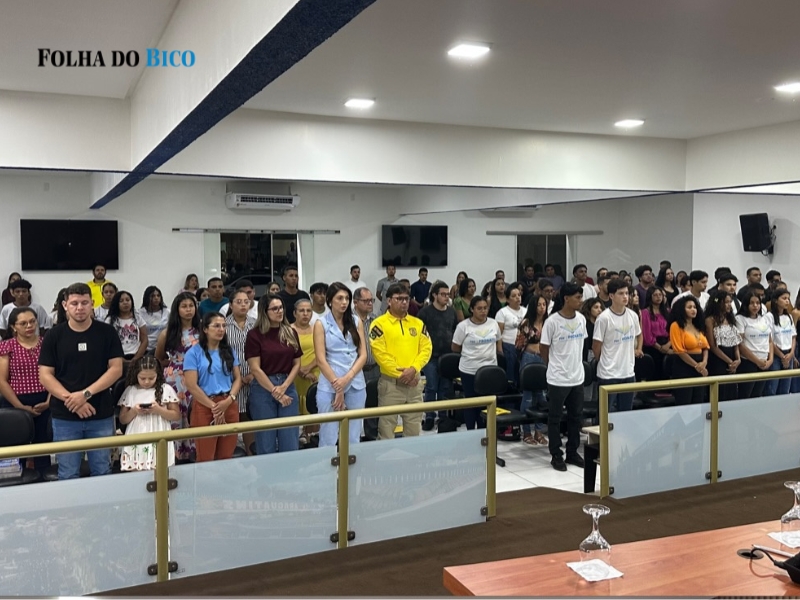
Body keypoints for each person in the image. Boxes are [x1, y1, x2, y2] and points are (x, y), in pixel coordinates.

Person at [38, 282, 124, 479]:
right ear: (64, 305)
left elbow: (116, 369)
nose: (79, 308)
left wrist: (85, 395)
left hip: (100, 413)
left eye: (84, 303)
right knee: (68, 473)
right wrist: (73, 400)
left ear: (92, 303)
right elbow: (45, 375)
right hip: (65, 416)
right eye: (74, 303)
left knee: (102, 471)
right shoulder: (53, 335)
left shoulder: (107, 332)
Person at [369, 283, 432, 439]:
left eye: (406, 299)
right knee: (386, 430)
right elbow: (380, 354)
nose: (404, 302)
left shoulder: (417, 323)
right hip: (391, 385)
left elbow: (426, 348)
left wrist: (414, 369)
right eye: (399, 299)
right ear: (389, 301)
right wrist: (402, 375)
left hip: (414, 384)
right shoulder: (379, 324)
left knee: (414, 430)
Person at [246, 293, 303, 454]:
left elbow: (297, 363)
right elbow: (255, 368)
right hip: (263, 387)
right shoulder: (254, 335)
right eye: (275, 309)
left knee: (290, 439)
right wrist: (275, 391)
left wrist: (283, 387)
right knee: (266, 440)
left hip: (287, 384)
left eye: (281, 308)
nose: (280, 311)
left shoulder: (290, 332)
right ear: (265, 312)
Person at [313, 282, 367, 447]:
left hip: (355, 382)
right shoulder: (321, 323)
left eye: (347, 299)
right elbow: (321, 360)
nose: (344, 302)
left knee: (354, 435)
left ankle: (352, 464)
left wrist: (347, 379)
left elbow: (363, 355)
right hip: (330, 383)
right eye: (340, 298)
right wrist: (338, 387)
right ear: (330, 301)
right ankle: (327, 464)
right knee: (328, 436)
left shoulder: (356, 321)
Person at [541, 283, 587, 472]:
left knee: (576, 417)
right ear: (566, 299)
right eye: (577, 297)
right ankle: (556, 454)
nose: (581, 301)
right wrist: (553, 366)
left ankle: (572, 452)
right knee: (555, 418)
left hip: (577, 376)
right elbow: (544, 349)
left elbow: (581, 345)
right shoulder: (552, 321)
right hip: (558, 378)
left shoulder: (582, 319)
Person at [184, 312, 242, 461]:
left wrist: (229, 400)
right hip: (204, 405)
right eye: (216, 326)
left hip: (228, 402)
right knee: (206, 457)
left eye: (223, 326)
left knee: (226, 455)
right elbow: (191, 385)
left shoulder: (229, 350)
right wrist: (215, 407)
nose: (221, 329)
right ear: (205, 329)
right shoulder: (193, 353)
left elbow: (238, 379)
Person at [0, 307, 51, 475]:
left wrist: (49, 401)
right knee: (16, 447)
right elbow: (2, 380)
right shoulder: (6, 346)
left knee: (43, 445)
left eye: (32, 322)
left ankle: (44, 480)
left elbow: (56, 374)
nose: (29, 326)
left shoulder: (47, 343)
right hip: (15, 401)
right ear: (13, 327)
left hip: (45, 399)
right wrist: (20, 407)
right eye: (23, 323)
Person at [155, 292, 200, 463]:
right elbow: (159, 358)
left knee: (194, 413)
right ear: (177, 309)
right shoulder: (167, 333)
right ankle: (175, 454)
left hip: (197, 377)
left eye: (191, 306)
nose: (188, 310)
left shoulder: (202, 331)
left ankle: (195, 451)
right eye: (184, 306)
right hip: (174, 379)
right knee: (177, 414)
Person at [117, 355, 180, 471]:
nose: (146, 382)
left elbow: (176, 415)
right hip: (136, 433)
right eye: (142, 378)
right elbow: (123, 419)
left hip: (159, 431)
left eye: (151, 378)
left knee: (160, 468)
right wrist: (134, 411)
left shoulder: (165, 389)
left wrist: (159, 410)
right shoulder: (131, 390)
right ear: (136, 375)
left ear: (158, 375)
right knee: (136, 468)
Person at [592, 279, 643, 412]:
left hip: (628, 372)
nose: (625, 297)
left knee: (625, 412)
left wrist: (638, 349)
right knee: (605, 413)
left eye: (626, 293)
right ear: (611, 296)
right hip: (609, 374)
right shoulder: (604, 318)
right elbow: (596, 346)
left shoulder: (633, 315)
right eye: (621, 293)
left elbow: (639, 334)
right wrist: (604, 361)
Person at [451, 295, 501, 430]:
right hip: (470, 370)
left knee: (486, 403)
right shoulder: (463, 326)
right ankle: (470, 431)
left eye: (485, 308)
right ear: (472, 309)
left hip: (489, 370)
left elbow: (498, 340)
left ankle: (484, 432)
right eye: (479, 308)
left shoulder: (493, 323)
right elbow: (455, 347)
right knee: (471, 402)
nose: (483, 311)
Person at [418, 281, 457, 431]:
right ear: (434, 295)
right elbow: (419, 334)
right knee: (431, 386)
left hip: (447, 356)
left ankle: (442, 416)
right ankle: (429, 416)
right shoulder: (425, 312)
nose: (446, 297)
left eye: (448, 294)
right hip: (430, 356)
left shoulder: (452, 312)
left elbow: (455, 330)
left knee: (444, 388)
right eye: (443, 294)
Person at [226, 289, 256, 453]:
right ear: (231, 305)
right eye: (238, 302)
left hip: (254, 377)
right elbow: (221, 353)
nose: (243, 305)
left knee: (250, 418)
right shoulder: (223, 325)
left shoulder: (256, 324)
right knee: (232, 417)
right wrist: (236, 376)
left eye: (246, 301)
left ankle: (251, 455)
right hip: (231, 379)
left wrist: (253, 374)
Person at [517, 294, 550, 445]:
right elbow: (519, 345)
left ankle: (539, 431)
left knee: (541, 395)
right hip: (529, 358)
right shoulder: (526, 323)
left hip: (544, 359)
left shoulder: (549, 322)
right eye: (539, 305)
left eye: (544, 304)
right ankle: (526, 431)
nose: (542, 308)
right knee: (528, 396)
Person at [669, 295, 710, 405]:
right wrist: (697, 366)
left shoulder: (698, 325)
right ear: (682, 309)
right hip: (684, 366)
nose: (693, 310)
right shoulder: (676, 326)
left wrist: (704, 362)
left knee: (698, 402)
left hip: (700, 366)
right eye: (689, 307)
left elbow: (706, 347)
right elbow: (679, 351)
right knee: (685, 402)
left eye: (695, 307)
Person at [736, 290, 774, 399]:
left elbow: (770, 341)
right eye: (752, 303)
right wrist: (757, 361)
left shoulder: (763, 319)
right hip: (748, 362)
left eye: (757, 303)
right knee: (746, 395)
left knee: (758, 396)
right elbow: (740, 344)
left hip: (765, 362)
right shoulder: (740, 319)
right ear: (746, 304)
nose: (755, 306)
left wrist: (770, 359)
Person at [704, 290, 741, 402]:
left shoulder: (730, 319)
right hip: (718, 360)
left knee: (731, 392)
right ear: (718, 303)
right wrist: (729, 361)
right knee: (720, 392)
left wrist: (738, 359)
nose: (729, 305)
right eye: (726, 302)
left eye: (730, 302)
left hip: (732, 358)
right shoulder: (710, 320)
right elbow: (713, 346)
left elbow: (735, 342)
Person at [292, 298, 319, 444]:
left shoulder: (317, 329)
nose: (305, 314)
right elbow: (285, 354)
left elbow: (323, 352)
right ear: (294, 313)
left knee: (313, 411)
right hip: (293, 375)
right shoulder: (288, 330)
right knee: (295, 411)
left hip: (314, 374)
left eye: (308, 311)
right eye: (301, 311)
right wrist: (300, 371)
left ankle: (311, 441)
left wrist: (308, 369)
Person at [764, 287, 796, 396]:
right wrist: (782, 356)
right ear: (776, 300)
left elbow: (793, 337)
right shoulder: (769, 317)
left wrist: (791, 353)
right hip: (776, 354)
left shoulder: (789, 316)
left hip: (789, 354)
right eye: (784, 298)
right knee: (772, 388)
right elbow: (770, 339)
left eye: (788, 299)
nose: (787, 301)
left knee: (785, 388)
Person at [496, 285, 525, 388]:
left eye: (519, 295)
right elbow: (498, 334)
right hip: (508, 345)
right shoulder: (502, 312)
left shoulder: (525, 310)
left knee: (521, 372)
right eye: (514, 296)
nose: (517, 297)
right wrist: (500, 350)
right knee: (511, 372)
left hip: (523, 347)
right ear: (508, 299)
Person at [105, 290, 148, 361]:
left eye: (127, 300)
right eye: (121, 301)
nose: (125, 303)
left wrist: (136, 358)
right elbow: (107, 342)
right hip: (117, 357)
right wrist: (119, 358)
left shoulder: (137, 317)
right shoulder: (109, 320)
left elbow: (145, 340)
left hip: (136, 355)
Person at [641, 286, 671, 380]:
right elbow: (647, 335)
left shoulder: (668, 311)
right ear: (650, 296)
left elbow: (672, 330)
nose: (658, 297)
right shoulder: (645, 313)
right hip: (653, 347)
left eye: (660, 295)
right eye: (655, 295)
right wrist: (660, 348)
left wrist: (668, 345)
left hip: (667, 344)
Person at [139, 286, 170, 355]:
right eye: (153, 296)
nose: (156, 298)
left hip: (163, 347)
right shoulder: (140, 313)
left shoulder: (167, 312)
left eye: (158, 296)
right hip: (146, 348)